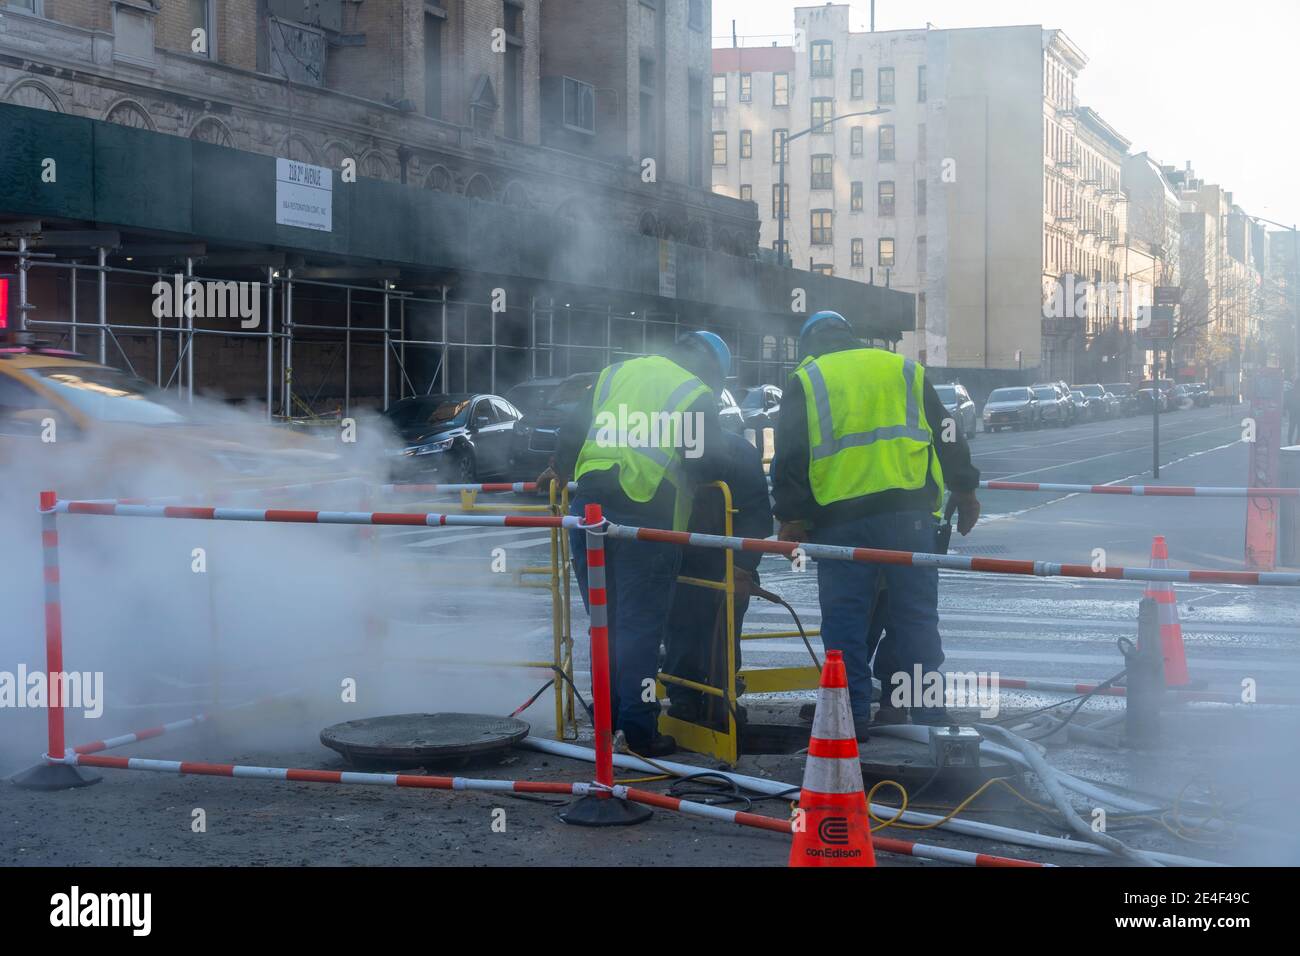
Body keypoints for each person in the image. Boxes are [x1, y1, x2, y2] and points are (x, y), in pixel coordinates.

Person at [770, 311, 981, 741]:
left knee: (845, 623)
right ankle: (929, 715)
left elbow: (790, 456)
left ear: (811, 345)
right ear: (852, 336)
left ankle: (850, 719)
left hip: (840, 521)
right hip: (910, 517)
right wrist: (964, 489)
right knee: (915, 617)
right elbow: (947, 431)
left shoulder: (808, 379)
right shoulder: (902, 368)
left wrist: (792, 517)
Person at [541, 331, 731, 757]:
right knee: (639, 628)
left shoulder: (616, 374)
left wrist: (563, 468)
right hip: (646, 517)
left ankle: (606, 722)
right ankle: (640, 730)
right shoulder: (693, 392)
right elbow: (706, 463)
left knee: (605, 625)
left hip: (588, 512)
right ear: (711, 368)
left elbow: (571, 434)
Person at [663, 427, 773, 731]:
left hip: (711, 561)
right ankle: (706, 699)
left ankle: (711, 699)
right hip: (698, 559)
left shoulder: (732, 453)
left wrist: (743, 566)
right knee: (701, 632)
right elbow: (758, 516)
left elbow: (756, 514)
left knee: (706, 632)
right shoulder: (737, 451)